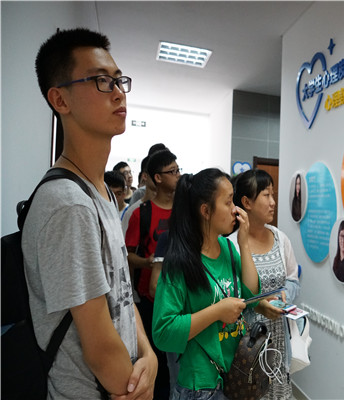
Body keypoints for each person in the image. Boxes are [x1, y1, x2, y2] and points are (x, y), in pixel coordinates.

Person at [23, 27, 157, 399]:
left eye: (119, 80)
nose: (118, 92)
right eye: (100, 81)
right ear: (60, 99)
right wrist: (139, 388)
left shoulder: (102, 192)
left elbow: (122, 295)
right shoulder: (69, 204)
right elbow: (99, 350)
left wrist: (149, 355)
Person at [152, 169, 260, 400]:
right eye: (228, 202)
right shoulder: (180, 262)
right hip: (199, 385)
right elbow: (163, 332)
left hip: (234, 375)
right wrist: (217, 312)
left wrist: (244, 244)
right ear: (206, 211)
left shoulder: (228, 248)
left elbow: (252, 296)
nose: (235, 210)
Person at [229, 169, 301, 399]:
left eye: (273, 195)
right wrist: (259, 304)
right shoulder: (231, 245)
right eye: (266, 195)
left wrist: (284, 296)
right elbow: (229, 295)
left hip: (278, 338)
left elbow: (293, 279)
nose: (273, 202)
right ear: (246, 202)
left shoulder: (281, 239)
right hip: (246, 344)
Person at [125, 148, 180, 399]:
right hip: (150, 300)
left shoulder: (184, 213)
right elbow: (127, 256)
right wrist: (149, 262)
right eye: (172, 171)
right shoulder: (141, 213)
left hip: (180, 299)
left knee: (177, 364)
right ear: (157, 178)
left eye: (178, 170)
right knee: (155, 362)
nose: (178, 175)